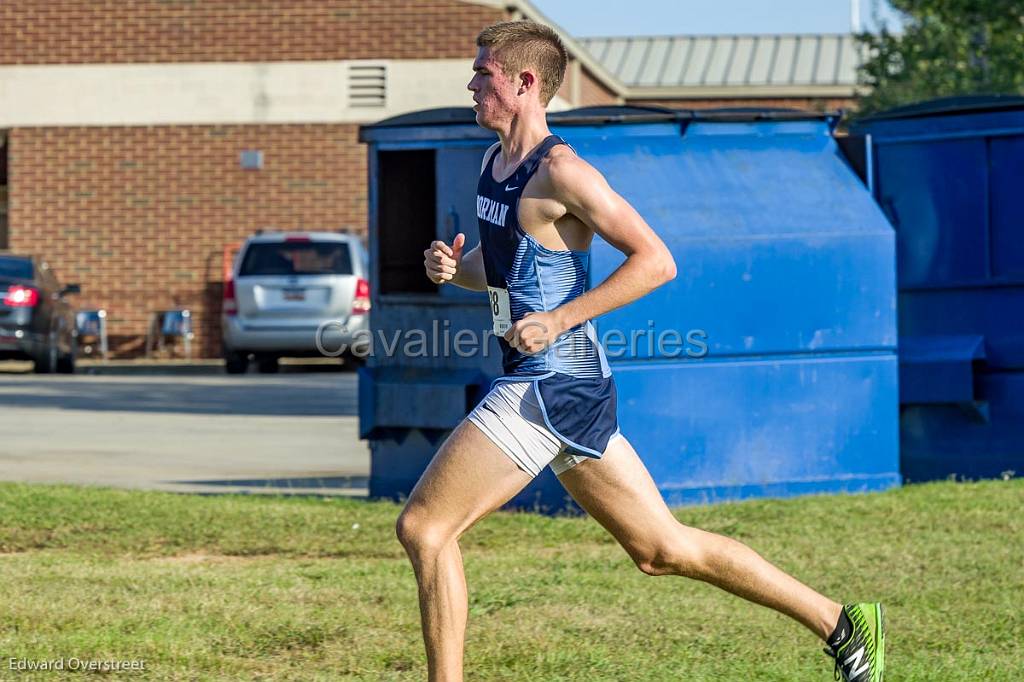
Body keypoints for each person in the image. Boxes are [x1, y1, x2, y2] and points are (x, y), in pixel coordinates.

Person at [398, 19, 885, 682]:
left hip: (551, 385)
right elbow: (505, 267)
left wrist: (560, 319)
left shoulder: (564, 171)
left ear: (524, 82)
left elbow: (656, 261)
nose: (471, 83)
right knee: (661, 550)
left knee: (426, 529)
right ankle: (841, 623)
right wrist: (454, 270)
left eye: (483, 74)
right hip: (558, 386)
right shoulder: (493, 165)